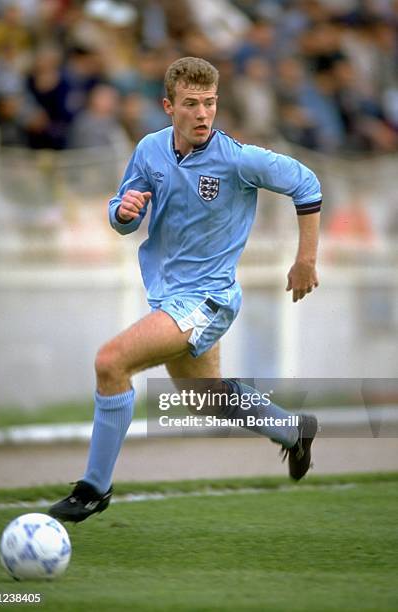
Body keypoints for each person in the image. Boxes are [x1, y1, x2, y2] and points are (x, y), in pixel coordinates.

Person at [50, 57, 322, 523]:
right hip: (169, 295)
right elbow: (122, 213)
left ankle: (94, 488)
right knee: (202, 395)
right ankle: (291, 428)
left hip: (208, 299)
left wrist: (306, 260)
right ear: (168, 106)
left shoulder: (238, 159)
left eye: (210, 103)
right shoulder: (149, 150)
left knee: (110, 362)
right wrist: (124, 211)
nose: (202, 114)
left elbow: (307, 184)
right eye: (191, 104)